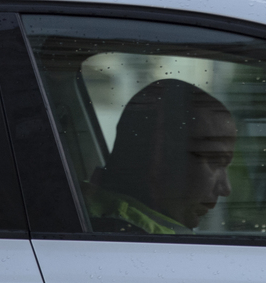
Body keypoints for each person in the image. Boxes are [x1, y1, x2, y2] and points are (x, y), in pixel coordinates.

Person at [85, 78, 237, 234]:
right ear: (158, 156)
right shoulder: (139, 239)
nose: (226, 189)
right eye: (214, 161)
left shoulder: (86, 214)